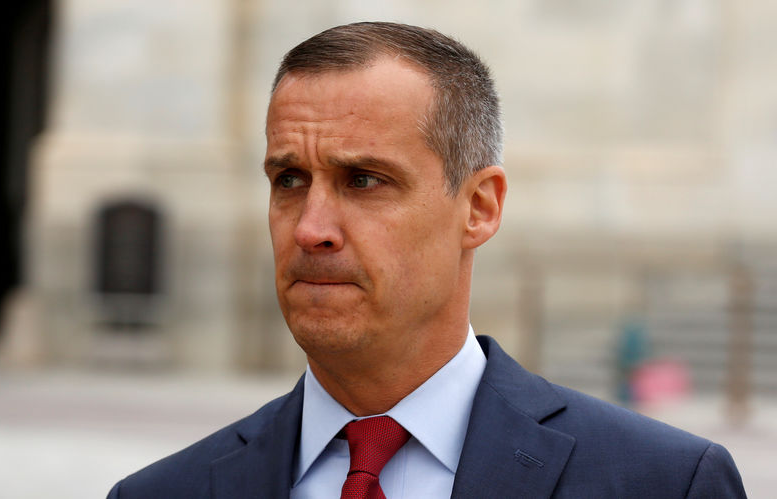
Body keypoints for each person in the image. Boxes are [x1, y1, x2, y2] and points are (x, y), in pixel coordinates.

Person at [107, 22, 746, 498]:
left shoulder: (663, 483)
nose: (311, 229)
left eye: (364, 181)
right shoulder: (162, 493)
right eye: (289, 180)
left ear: (479, 208)